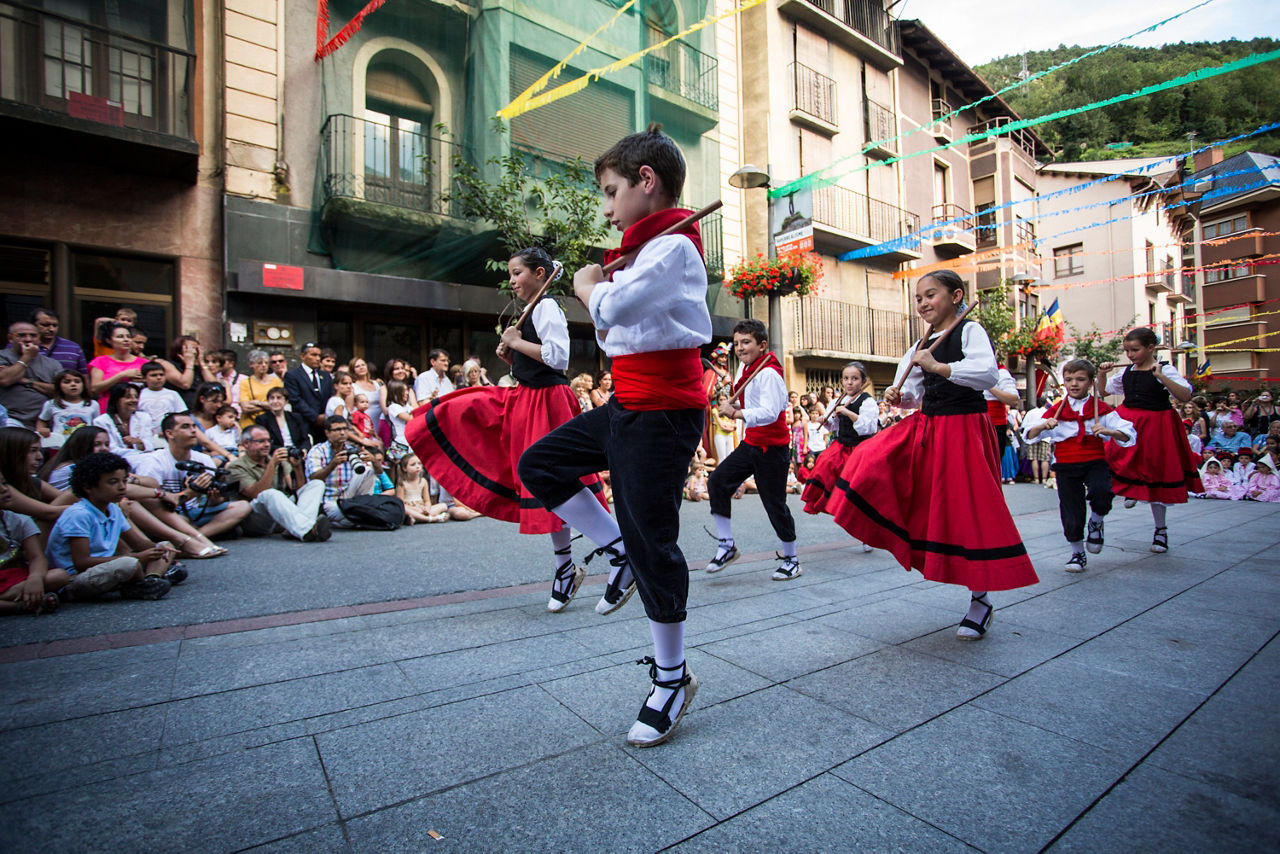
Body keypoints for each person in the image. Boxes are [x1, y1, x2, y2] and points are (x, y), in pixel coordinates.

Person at [517, 126, 710, 747]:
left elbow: (613, 315)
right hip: (629, 400)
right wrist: (605, 289)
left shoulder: (674, 248)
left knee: (657, 541)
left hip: (663, 411)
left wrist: (588, 286)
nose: (605, 207)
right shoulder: (646, 250)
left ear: (645, 182)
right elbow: (612, 336)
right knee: (540, 465)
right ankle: (615, 548)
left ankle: (672, 678)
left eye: (610, 191)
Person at [817, 270, 1039, 639]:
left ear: (956, 296)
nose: (922, 303)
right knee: (870, 459)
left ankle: (980, 601)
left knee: (968, 510)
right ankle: (899, 535)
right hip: (930, 425)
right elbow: (915, 391)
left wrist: (940, 366)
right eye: (918, 298)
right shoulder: (922, 340)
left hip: (965, 428)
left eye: (930, 295)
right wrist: (898, 396)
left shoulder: (970, 330)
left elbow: (987, 373)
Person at [407, 246, 609, 610]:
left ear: (539, 273)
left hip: (547, 399)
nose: (512, 280)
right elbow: (539, 354)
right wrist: (513, 354)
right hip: (528, 398)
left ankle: (590, 559)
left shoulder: (547, 306)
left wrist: (517, 343)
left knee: (551, 483)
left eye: (517, 273)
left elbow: (557, 357)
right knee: (540, 482)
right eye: (511, 274)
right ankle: (566, 566)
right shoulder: (530, 310)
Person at [704, 319, 800, 579]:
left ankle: (791, 558)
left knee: (774, 504)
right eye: (736, 343)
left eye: (746, 342)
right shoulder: (746, 370)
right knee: (717, 482)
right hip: (752, 444)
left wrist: (736, 413)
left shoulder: (768, 373)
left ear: (763, 345)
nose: (740, 348)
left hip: (773, 448)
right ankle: (726, 545)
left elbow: (771, 412)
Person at [1022, 359, 1135, 572]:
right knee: (1071, 509)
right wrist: (1043, 426)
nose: (1074, 384)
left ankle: (1096, 521)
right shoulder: (1056, 411)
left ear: (1091, 382)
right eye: (1069, 379)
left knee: (1103, 493)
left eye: (1080, 379)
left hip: (1094, 461)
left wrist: (1108, 432)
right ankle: (1077, 553)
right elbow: (1029, 434)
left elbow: (1127, 433)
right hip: (1065, 464)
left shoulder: (1100, 409)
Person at [1099, 328, 1201, 553]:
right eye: (1126, 350)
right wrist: (1101, 374)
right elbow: (1103, 392)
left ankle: (1160, 530)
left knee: (1157, 474)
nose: (1130, 355)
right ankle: (1129, 491)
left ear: (1150, 348)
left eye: (1135, 350)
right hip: (1130, 421)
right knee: (1109, 459)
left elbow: (1185, 396)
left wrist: (1161, 377)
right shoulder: (1127, 372)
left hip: (1157, 426)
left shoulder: (1165, 369)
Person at [45, 451, 182, 600]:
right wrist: (139, 558)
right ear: (88, 486)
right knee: (128, 563)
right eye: (113, 482)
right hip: (77, 577)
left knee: (164, 545)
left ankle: (150, 580)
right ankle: (140, 583)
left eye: (124, 481)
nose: (122, 487)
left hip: (108, 566)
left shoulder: (113, 509)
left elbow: (138, 542)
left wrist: (158, 550)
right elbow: (82, 563)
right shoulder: (79, 514)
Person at [801, 360, 879, 553]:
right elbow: (833, 425)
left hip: (861, 449)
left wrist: (848, 412)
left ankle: (867, 532)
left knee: (859, 491)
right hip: (841, 447)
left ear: (862, 381)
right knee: (823, 469)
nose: (849, 382)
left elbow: (868, 427)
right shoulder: (839, 399)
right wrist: (824, 419)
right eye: (846, 378)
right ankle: (827, 502)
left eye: (854, 378)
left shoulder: (867, 401)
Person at [134, 413, 251, 540]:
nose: (193, 430)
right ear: (169, 434)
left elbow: (213, 502)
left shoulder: (203, 459)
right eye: (185, 427)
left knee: (243, 506)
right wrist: (190, 492)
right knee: (181, 519)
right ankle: (203, 533)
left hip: (193, 512)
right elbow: (149, 502)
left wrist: (215, 498)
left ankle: (197, 536)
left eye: (194, 426)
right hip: (167, 514)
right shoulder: (154, 461)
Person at [226, 425, 331, 541]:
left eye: (268, 441)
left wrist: (297, 467)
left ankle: (301, 528)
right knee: (270, 494)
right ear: (246, 444)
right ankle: (307, 529)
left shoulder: (280, 461)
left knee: (316, 484)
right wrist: (272, 464)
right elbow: (256, 493)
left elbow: (298, 490)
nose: (267, 445)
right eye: (261, 441)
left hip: (283, 514)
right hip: (256, 518)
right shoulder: (235, 467)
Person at [0, 478, 67, 615]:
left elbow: (37, 557)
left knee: (60, 576)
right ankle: (21, 606)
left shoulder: (20, 520)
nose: (4, 489)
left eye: (4, 483)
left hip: (14, 580)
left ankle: (21, 599)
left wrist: (35, 579)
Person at [304, 415, 384, 528]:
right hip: (328, 501)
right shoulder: (318, 451)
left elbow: (379, 473)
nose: (342, 433)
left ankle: (359, 510)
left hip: (348, 498)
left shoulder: (352, 449)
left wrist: (374, 461)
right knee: (359, 516)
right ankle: (358, 517)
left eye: (345, 429)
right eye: (337, 429)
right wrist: (332, 464)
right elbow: (314, 479)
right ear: (327, 433)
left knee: (369, 471)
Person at [0, 426, 74, 535]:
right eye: (33, 451)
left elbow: (66, 497)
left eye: (39, 450)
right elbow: (49, 513)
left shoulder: (31, 481)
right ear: (12, 453)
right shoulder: (3, 488)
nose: (40, 457)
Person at [0, 321, 63, 430]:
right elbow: (5, 379)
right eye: (21, 335)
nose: (28, 339)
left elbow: (61, 391)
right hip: (10, 419)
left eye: (33, 336)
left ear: (39, 338)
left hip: (44, 422)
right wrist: (27, 357)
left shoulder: (52, 364)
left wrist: (24, 381)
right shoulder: (2, 356)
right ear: (10, 338)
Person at [87, 322, 147, 412]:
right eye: (120, 337)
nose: (126, 340)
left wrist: (144, 380)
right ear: (109, 340)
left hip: (138, 409)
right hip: (108, 408)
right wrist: (122, 375)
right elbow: (94, 388)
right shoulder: (100, 361)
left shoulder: (144, 362)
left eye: (128, 336)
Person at [283, 343, 334, 443]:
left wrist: (326, 416)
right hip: (303, 424)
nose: (318, 359)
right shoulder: (292, 375)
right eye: (313, 355)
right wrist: (315, 417)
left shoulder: (325, 376)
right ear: (303, 356)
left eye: (319, 355)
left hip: (324, 426)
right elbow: (295, 399)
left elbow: (330, 397)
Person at [36, 370, 98, 447]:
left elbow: (96, 425)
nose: (73, 384)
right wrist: (42, 430)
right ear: (59, 386)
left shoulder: (93, 404)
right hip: (58, 446)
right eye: (67, 382)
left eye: (77, 381)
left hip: (84, 446)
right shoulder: (52, 404)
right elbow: (42, 420)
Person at [985, 360, 1021, 484]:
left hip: (993, 425)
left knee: (989, 471)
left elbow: (1013, 400)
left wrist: (989, 385)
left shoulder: (1001, 373)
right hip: (971, 423)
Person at [159, 335, 213, 410]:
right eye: (190, 348)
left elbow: (213, 385)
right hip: (180, 409)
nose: (194, 352)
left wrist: (202, 362)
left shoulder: (198, 369)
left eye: (196, 349)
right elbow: (185, 384)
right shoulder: (168, 365)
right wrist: (189, 364)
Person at [137, 361, 188, 438]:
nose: (159, 378)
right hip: (146, 436)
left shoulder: (172, 394)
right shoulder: (139, 395)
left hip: (169, 436)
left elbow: (181, 415)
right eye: (153, 375)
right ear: (144, 378)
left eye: (161, 375)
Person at [30, 308, 88, 374]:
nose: (51, 329)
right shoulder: (25, 346)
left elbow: (84, 376)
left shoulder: (73, 348)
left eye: (55, 325)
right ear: (33, 325)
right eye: (45, 325)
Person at [395, 454, 448, 524]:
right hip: (410, 508)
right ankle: (430, 518)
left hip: (421, 507)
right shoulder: (402, 483)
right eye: (413, 465)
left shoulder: (423, 481)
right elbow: (400, 503)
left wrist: (427, 508)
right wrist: (416, 509)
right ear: (405, 468)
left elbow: (427, 500)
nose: (417, 467)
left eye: (419, 464)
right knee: (404, 510)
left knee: (443, 506)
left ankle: (417, 518)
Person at [255, 387, 311, 452]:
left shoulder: (296, 417)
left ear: (286, 401)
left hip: (297, 453)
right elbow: (265, 443)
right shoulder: (262, 420)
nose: (275, 401)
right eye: (272, 398)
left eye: (279, 398)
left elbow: (305, 439)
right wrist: (287, 452)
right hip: (277, 454)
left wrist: (304, 449)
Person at [238, 350, 283, 430]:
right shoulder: (245, 383)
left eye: (266, 363)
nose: (264, 365)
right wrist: (269, 406)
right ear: (251, 365)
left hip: (270, 424)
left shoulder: (276, 381)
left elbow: (281, 405)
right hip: (250, 424)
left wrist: (258, 403)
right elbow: (245, 408)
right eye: (259, 363)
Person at [348, 357, 383, 434]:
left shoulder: (377, 384)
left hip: (380, 422)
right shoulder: (352, 386)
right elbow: (350, 410)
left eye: (363, 365)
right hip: (362, 425)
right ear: (353, 370)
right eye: (357, 366)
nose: (361, 367)